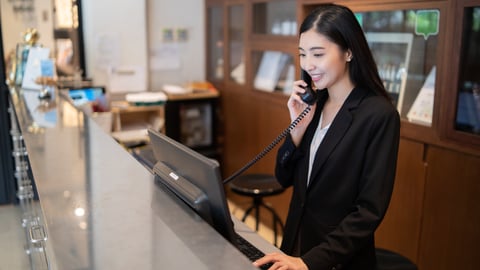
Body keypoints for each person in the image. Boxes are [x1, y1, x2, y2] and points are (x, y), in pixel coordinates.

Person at [253, 4, 400, 270]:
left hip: (335, 260)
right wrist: (296, 130)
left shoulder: (379, 115)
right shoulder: (313, 105)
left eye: (318, 54)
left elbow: (368, 212)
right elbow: (282, 178)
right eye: (302, 54)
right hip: (294, 247)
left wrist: (309, 262)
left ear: (348, 51)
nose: (308, 65)